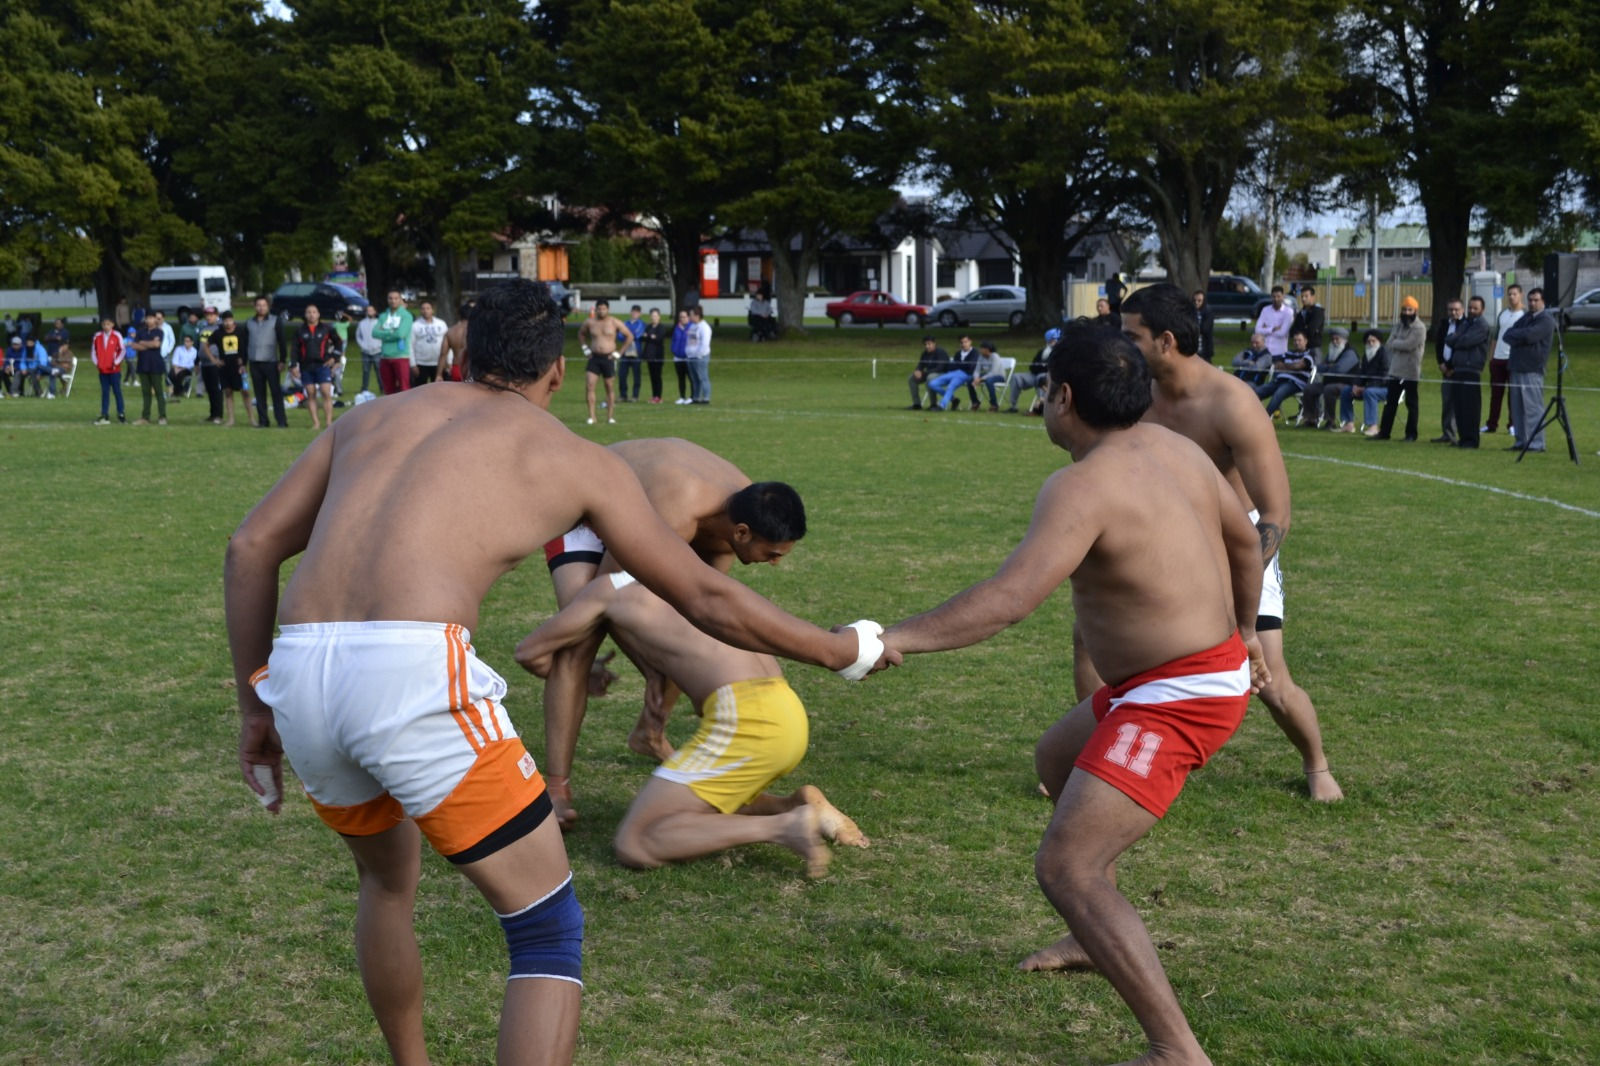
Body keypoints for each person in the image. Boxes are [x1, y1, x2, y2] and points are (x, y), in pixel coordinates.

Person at [225, 279, 888, 1066]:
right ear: (559, 372)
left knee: (387, 887)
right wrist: (839, 650)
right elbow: (706, 593)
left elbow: (250, 548)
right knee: (545, 929)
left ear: (460, 350)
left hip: (299, 670)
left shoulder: (366, 418)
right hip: (410, 669)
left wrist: (254, 707)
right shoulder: (572, 457)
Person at [879, 320, 1267, 1066]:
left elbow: (1010, 599)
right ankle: (1092, 936)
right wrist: (1247, 628)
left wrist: (898, 635)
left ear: (1062, 396)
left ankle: (1175, 1051)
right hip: (1172, 677)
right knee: (1057, 760)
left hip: (1181, 693)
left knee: (1066, 866)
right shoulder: (1178, 450)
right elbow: (1247, 542)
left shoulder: (1081, 486)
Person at [1111, 283, 1342, 802]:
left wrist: (1238, 581)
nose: (1121, 346)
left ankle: (1316, 766)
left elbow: (1277, 514)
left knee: (1269, 680)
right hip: (1169, 540)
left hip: (1240, 544)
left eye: (1132, 336)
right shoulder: (1135, 395)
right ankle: (1096, 763)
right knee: (1100, 643)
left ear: (1165, 340)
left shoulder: (1231, 403)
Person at [516, 570, 869, 877]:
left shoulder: (606, 590)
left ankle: (782, 826)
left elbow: (529, 652)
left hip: (749, 721)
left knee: (636, 841)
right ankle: (794, 805)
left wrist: (585, 675)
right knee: (702, 800)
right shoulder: (683, 579)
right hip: (785, 711)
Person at [541, 447, 811, 829]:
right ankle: (556, 790)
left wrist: (662, 669)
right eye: (773, 553)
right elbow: (606, 594)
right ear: (743, 533)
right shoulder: (680, 512)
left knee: (697, 621)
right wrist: (650, 669)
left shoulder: (740, 513)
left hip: (643, 512)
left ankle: (649, 733)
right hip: (582, 514)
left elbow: (703, 611)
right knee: (577, 645)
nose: (776, 563)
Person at [1500, 286, 1555, 453]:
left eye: (1536, 300)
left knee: (1532, 408)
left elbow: (1530, 336)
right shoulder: (1526, 318)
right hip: (1516, 367)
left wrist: (1520, 335)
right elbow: (1507, 335)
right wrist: (1521, 335)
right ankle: (1521, 441)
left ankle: (1536, 443)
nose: (1532, 303)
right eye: (1530, 300)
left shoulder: (1546, 320)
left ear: (1543, 301)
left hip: (1532, 369)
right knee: (1517, 408)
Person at [1372, 295, 1426, 442]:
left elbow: (1409, 345)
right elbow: (1389, 343)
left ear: (1415, 311)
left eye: (1410, 310)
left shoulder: (1420, 328)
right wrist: (1398, 343)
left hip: (1411, 371)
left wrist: (1398, 342)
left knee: (1411, 404)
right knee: (1390, 403)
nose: (1406, 313)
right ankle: (1384, 432)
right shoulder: (1398, 325)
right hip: (1395, 370)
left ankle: (1411, 434)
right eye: (1404, 309)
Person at [1443, 296, 1489, 449]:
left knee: (1471, 407)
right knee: (1459, 407)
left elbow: (1466, 341)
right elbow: (1449, 339)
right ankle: (1463, 438)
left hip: (1471, 369)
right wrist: (1458, 338)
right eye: (1470, 308)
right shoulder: (1466, 324)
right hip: (1458, 368)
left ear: (1482, 310)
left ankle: (1471, 440)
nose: (1471, 311)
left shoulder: (1482, 325)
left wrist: (1458, 339)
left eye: (1475, 308)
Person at [577, 299, 631, 425]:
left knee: (609, 387)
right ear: (596, 309)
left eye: (604, 308)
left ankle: (610, 417)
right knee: (590, 385)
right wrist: (585, 349)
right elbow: (581, 334)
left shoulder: (614, 322)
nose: (601, 311)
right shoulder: (590, 322)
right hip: (594, 358)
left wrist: (619, 353)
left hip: (608, 358)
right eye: (599, 308)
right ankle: (592, 416)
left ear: (608, 309)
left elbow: (629, 336)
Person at [293, 303, 344, 431]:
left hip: (322, 364)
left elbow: (339, 343)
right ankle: (316, 423)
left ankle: (328, 422)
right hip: (306, 366)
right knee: (310, 393)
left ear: (318, 314)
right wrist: (293, 365)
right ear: (305, 315)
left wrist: (334, 358)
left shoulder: (327, 328)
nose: (311, 315)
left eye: (314, 312)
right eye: (309, 312)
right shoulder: (300, 330)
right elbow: (294, 350)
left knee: (325, 391)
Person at [1297, 326, 1356, 428]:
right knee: (1309, 388)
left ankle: (1330, 420)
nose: (1334, 341)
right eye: (1332, 339)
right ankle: (1311, 418)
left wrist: (1328, 367)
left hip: (1345, 384)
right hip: (1328, 382)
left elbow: (1340, 370)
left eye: (1337, 339)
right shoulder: (1332, 352)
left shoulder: (1350, 353)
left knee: (1329, 390)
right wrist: (1331, 366)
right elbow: (1319, 367)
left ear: (1344, 340)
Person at [1484, 283, 1523, 436]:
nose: (1511, 297)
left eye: (1514, 294)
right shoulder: (1503, 314)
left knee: (1513, 394)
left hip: (1513, 360)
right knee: (1496, 393)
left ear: (1520, 295)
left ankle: (1513, 424)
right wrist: (1491, 357)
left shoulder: (1524, 315)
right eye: (1509, 294)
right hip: (1498, 359)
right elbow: (1495, 336)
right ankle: (1491, 424)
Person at [245, 296, 289, 428]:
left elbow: (282, 341)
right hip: (254, 362)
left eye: (264, 305)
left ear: (268, 306)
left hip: (271, 362)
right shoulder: (249, 323)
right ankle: (263, 421)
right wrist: (243, 362)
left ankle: (281, 421)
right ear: (254, 306)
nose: (261, 307)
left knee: (276, 392)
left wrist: (282, 360)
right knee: (259, 394)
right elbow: (244, 343)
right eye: (258, 305)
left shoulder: (275, 321)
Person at [1251, 329, 1315, 419]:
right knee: (1255, 392)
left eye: (1299, 340)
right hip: (1280, 380)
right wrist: (1292, 366)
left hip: (1295, 383)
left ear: (1306, 341)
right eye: (1295, 340)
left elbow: (1299, 366)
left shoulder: (1309, 354)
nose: (1296, 343)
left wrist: (1286, 366)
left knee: (1278, 393)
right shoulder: (1288, 353)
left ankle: (1264, 418)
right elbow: (1277, 365)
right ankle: (1250, 415)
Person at [1430, 299, 1465, 444]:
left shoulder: (1466, 325)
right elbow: (1439, 345)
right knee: (1447, 402)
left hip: (1459, 369)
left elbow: (1462, 347)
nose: (1454, 312)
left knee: (1460, 404)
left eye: (1456, 309)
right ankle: (1447, 433)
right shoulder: (1444, 324)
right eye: (1451, 310)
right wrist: (1441, 364)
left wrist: (1451, 366)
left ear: (1462, 310)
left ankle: (1460, 435)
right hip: (1445, 369)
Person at [1347, 330, 1391, 433]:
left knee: (1370, 393)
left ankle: (1373, 427)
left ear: (1379, 342)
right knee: (1346, 391)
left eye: (1373, 341)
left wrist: (1365, 388)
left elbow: (1384, 378)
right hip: (1368, 387)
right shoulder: (1367, 355)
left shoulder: (1385, 355)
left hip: (1386, 389)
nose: (1370, 344)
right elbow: (1361, 373)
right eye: (1368, 341)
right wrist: (1355, 385)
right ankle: (1348, 424)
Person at [211, 311, 250, 427]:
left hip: (240, 368)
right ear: (222, 322)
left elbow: (246, 347)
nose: (228, 323)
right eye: (225, 321)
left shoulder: (240, 331)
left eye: (229, 320)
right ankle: (231, 419)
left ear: (233, 320)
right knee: (228, 393)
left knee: (246, 392)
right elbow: (206, 345)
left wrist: (244, 362)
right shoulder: (218, 333)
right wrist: (214, 360)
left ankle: (252, 419)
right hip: (225, 368)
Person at [373, 290, 414, 396]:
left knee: (404, 388)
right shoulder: (383, 316)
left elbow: (401, 334)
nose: (393, 301)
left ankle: (405, 410)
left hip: (400, 356)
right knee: (388, 389)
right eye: (390, 298)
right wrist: (392, 332)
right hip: (385, 356)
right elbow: (374, 333)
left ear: (400, 300)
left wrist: (384, 332)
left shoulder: (406, 316)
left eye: (396, 298)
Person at [1006, 328, 1056, 414]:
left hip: (1047, 376)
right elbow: (1033, 367)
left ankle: (1042, 406)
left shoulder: (1058, 353)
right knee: (1016, 377)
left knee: (1041, 378)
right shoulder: (1042, 352)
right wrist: (1041, 367)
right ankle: (1013, 406)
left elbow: (1051, 368)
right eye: (1050, 340)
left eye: (1053, 340)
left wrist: (1042, 367)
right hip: (1034, 374)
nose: (1051, 342)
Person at [131, 313, 168, 425]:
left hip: (155, 365)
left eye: (151, 318)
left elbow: (156, 345)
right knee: (146, 392)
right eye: (147, 318)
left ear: (155, 320)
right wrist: (148, 344)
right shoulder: (140, 331)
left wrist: (143, 343)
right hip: (143, 365)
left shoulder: (159, 332)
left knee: (158, 391)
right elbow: (134, 346)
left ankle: (162, 416)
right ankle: (145, 417)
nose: (149, 320)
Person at [927, 334, 980, 411]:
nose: (964, 344)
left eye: (966, 342)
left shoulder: (975, 352)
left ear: (970, 342)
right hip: (953, 373)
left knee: (951, 386)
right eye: (962, 342)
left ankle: (942, 405)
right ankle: (953, 399)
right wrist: (961, 365)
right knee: (932, 384)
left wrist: (958, 365)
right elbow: (951, 366)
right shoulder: (958, 353)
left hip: (966, 375)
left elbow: (970, 367)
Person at [91, 317, 127, 425]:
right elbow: (93, 351)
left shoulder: (117, 335)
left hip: (114, 370)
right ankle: (104, 413)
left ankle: (121, 413)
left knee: (117, 391)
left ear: (112, 325)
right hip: (103, 370)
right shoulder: (97, 336)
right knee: (105, 392)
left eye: (108, 324)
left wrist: (115, 363)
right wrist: (97, 363)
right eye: (104, 324)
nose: (106, 326)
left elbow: (122, 350)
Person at [409, 301, 449, 387]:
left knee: (440, 390)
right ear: (420, 310)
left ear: (432, 310)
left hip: (439, 363)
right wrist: (413, 364)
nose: (425, 311)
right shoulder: (415, 325)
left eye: (428, 308)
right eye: (423, 309)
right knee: (419, 391)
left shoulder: (441, 324)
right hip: (421, 363)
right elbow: (410, 346)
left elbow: (448, 343)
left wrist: (448, 361)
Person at [907, 335, 949, 410]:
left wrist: (925, 373)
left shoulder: (940, 352)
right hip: (928, 373)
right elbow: (921, 364)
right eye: (925, 344)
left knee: (930, 378)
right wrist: (917, 371)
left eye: (929, 344)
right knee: (911, 378)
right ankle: (917, 404)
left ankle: (933, 404)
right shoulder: (925, 353)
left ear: (934, 343)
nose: (927, 346)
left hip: (942, 374)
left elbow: (940, 368)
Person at [1254, 286, 1293, 357]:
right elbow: (1257, 330)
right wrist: (1272, 329)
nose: (1276, 299)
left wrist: (1265, 329)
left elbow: (1282, 333)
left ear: (1283, 296)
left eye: (1278, 296)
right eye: (1274, 296)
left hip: (1279, 352)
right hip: (1264, 351)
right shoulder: (1265, 310)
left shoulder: (1288, 312)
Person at [638, 308, 667, 403]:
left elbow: (658, 339)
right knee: (652, 377)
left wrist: (649, 336)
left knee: (657, 376)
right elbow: (643, 338)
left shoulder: (661, 327)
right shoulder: (649, 327)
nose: (653, 318)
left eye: (655, 316)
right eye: (652, 316)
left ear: (659, 317)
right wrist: (651, 337)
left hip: (657, 356)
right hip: (649, 356)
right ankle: (654, 395)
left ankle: (659, 396)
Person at [442, 300, 474, 383]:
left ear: (459, 315)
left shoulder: (451, 331)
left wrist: (438, 374)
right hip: (471, 370)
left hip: (456, 368)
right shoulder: (476, 331)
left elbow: (443, 354)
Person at [685, 306, 712, 404]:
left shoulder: (704, 327)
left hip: (700, 357)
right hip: (691, 356)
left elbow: (705, 344)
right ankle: (696, 397)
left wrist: (699, 354)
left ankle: (706, 397)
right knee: (694, 379)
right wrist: (688, 352)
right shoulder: (692, 326)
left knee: (703, 377)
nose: (689, 317)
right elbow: (690, 341)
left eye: (691, 315)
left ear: (697, 315)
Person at [618, 305, 645, 401]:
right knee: (622, 375)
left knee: (636, 375)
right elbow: (620, 335)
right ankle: (623, 394)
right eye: (633, 311)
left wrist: (628, 335)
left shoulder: (641, 324)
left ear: (640, 314)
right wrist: (629, 335)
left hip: (636, 352)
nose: (635, 314)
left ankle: (635, 395)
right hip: (625, 352)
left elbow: (637, 335)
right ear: (631, 312)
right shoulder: (625, 323)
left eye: (637, 312)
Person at [355, 304, 383, 393]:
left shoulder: (379, 323)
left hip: (377, 351)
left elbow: (383, 336)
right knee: (366, 371)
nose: (370, 312)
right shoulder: (362, 323)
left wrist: (379, 346)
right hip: (365, 351)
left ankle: (382, 387)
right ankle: (364, 388)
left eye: (371, 310)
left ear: (375, 312)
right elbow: (358, 335)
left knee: (379, 371)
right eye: (368, 310)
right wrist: (362, 345)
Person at [972, 341, 1008, 411]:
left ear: (987, 349)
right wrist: (976, 378)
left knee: (989, 381)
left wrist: (981, 379)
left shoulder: (995, 356)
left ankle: (994, 404)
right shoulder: (981, 357)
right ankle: (975, 402)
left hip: (999, 376)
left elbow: (994, 372)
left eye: (981, 348)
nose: (980, 350)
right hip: (988, 375)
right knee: (969, 379)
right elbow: (977, 370)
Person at [1291, 284, 1326, 357]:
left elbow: (1311, 330)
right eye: (1302, 296)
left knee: (1314, 367)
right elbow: (1293, 330)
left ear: (1313, 297)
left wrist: (1302, 330)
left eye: (1306, 296)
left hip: (1313, 347)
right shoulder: (1301, 313)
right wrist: (1304, 328)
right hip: (1300, 349)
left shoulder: (1318, 311)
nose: (1303, 299)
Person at [671, 309, 692, 404]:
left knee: (691, 377)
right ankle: (682, 396)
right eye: (680, 317)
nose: (682, 319)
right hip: (678, 357)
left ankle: (692, 396)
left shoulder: (692, 327)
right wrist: (674, 350)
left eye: (684, 317)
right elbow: (674, 340)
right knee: (681, 378)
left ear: (688, 317)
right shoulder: (677, 328)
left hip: (688, 357)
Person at [170, 334, 199, 399]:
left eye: (188, 341)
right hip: (177, 367)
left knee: (180, 374)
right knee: (171, 374)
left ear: (192, 342)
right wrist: (176, 368)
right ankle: (180, 390)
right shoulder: (178, 349)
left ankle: (177, 391)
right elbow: (175, 361)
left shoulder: (195, 351)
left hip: (188, 369)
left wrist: (182, 369)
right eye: (185, 341)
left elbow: (193, 364)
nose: (186, 343)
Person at [1192, 289, 1215, 363]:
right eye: (1195, 300)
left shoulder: (1208, 311)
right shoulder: (1191, 311)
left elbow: (1205, 329)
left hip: (1205, 347)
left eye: (1199, 300)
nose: (1196, 303)